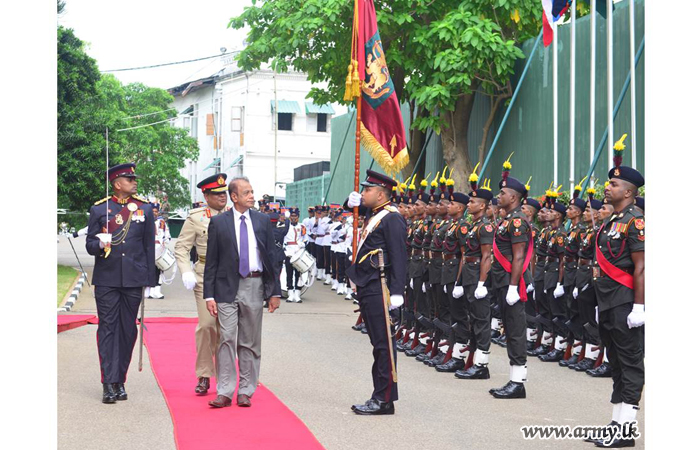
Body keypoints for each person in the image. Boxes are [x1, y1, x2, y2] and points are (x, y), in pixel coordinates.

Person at [203, 176, 282, 408]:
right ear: (234, 197)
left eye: (252, 192)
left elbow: (272, 258)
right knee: (227, 337)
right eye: (246, 193)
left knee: (249, 340)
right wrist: (209, 295)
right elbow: (211, 262)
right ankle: (225, 390)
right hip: (226, 286)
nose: (252, 196)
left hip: (254, 285)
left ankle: (246, 390)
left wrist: (274, 292)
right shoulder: (219, 223)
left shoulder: (262, 221)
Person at [86, 163, 157, 404]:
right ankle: (108, 382)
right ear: (117, 183)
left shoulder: (145, 209)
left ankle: (120, 380)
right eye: (129, 178)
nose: (134, 181)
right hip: (107, 279)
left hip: (134, 279)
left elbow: (149, 246)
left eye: (134, 178)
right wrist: (100, 244)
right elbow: (89, 245)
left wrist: (150, 280)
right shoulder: (100, 209)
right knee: (108, 328)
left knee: (128, 329)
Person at [590, 146, 645, 448]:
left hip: (625, 301)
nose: (607, 188)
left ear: (628, 191)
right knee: (616, 362)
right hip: (609, 300)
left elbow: (641, 266)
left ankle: (627, 430)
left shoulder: (636, 220)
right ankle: (615, 424)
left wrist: (639, 306)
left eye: (613, 184)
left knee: (630, 361)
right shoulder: (613, 220)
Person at [346, 170, 407, 415]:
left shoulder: (392, 218)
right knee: (378, 343)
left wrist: (397, 291)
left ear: (381, 194)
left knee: (384, 345)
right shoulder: (377, 213)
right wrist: (349, 204)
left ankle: (383, 399)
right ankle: (381, 395)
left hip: (380, 287)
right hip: (368, 285)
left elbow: (399, 255)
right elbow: (360, 211)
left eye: (367, 190)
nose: (362, 194)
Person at [174, 173, 229, 395]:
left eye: (224, 193)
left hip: (230, 277)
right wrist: (186, 271)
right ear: (206, 196)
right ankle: (205, 374)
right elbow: (182, 247)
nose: (222, 198)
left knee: (226, 329)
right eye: (216, 194)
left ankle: (227, 375)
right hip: (204, 275)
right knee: (207, 325)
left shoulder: (236, 214)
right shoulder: (196, 218)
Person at [488, 156, 533, 399]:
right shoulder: (506, 219)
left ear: (514, 197)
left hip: (511, 283)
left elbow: (518, 256)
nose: (498, 196)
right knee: (510, 329)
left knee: (515, 331)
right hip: (502, 282)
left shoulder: (517, 221)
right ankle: (513, 379)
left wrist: (514, 287)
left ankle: (518, 383)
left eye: (503, 192)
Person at [453, 176, 495, 379]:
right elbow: (464, 255)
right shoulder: (473, 225)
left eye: (472, 202)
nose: (468, 204)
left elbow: (487, 255)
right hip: (469, 275)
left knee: (481, 321)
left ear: (483, 205)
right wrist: (460, 282)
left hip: (478, 275)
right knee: (473, 319)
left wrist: (481, 283)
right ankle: (473, 361)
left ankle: (482, 366)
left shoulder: (485, 227)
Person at [148, 203, 171, 299]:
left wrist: (165, 246)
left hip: (159, 249)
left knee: (159, 270)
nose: (154, 213)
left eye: (156, 211)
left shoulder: (162, 222)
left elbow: (167, 236)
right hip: (148, 249)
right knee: (149, 270)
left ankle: (157, 290)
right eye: (152, 211)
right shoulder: (145, 221)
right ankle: (149, 291)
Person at [283, 208, 306, 303]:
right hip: (288, 252)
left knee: (298, 274)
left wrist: (302, 244)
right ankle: (290, 294)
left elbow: (306, 239)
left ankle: (297, 294)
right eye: (292, 216)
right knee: (289, 274)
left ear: (298, 217)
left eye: (295, 216)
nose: (293, 218)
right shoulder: (285, 226)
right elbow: (282, 238)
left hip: (298, 252)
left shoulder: (302, 226)